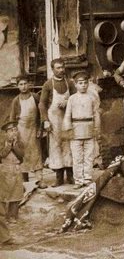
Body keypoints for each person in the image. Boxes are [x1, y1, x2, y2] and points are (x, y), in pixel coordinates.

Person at [39, 58, 76, 187]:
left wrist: (68, 102)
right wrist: (45, 121)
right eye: (58, 68)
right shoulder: (48, 84)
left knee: (68, 145)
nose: (61, 70)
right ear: (52, 69)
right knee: (55, 147)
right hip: (54, 119)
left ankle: (70, 176)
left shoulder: (70, 83)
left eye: (62, 67)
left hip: (67, 118)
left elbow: (76, 98)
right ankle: (59, 178)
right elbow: (42, 104)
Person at [63, 71, 101, 188]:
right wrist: (68, 130)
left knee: (89, 156)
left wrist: (96, 128)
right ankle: (79, 180)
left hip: (89, 129)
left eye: (85, 83)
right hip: (75, 130)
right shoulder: (72, 99)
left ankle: (88, 178)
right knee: (77, 157)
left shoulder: (92, 98)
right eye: (80, 83)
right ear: (75, 85)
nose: (83, 85)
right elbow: (67, 115)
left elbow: (96, 114)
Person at [9, 75, 45, 188]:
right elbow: (12, 119)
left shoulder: (35, 97)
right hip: (21, 130)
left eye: (25, 84)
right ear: (17, 86)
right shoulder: (16, 100)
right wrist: (13, 133)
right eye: (21, 84)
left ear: (29, 84)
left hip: (33, 129)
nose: (23, 87)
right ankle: (25, 180)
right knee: (22, 154)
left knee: (36, 153)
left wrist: (40, 129)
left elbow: (41, 114)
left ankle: (40, 180)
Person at [0, 121, 24, 223]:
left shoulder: (19, 143)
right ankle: (4, 216)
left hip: (16, 169)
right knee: (5, 194)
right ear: (6, 133)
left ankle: (13, 216)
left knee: (16, 193)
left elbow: (21, 156)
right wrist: (9, 145)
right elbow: (2, 155)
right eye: (10, 131)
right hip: (5, 170)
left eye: (15, 130)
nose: (14, 133)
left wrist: (15, 146)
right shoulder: (2, 142)